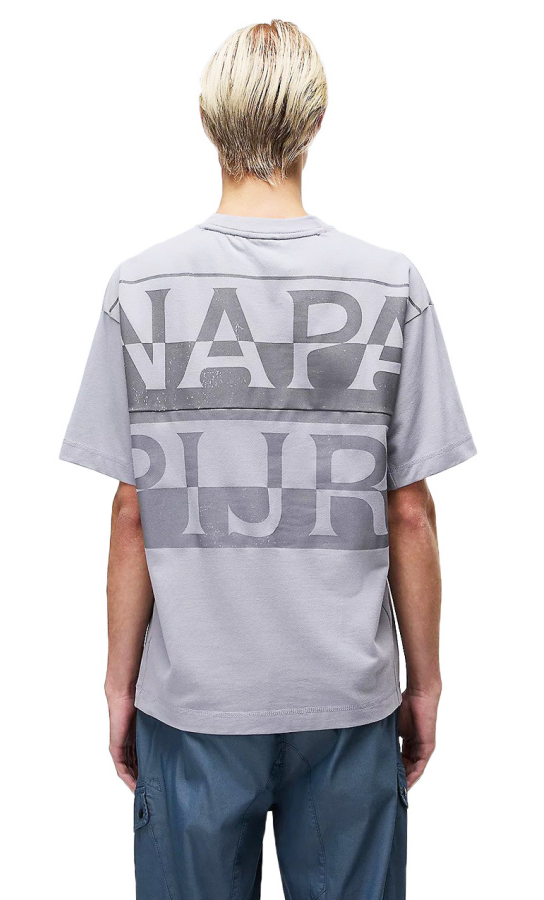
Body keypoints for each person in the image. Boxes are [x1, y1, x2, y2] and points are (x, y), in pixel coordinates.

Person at [60, 19, 475, 899]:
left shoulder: (141, 286)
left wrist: (118, 685)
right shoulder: (388, 283)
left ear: (207, 120)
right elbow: (409, 511)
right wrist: (425, 682)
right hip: (347, 701)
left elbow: (133, 511)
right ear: (314, 120)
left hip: (195, 700)